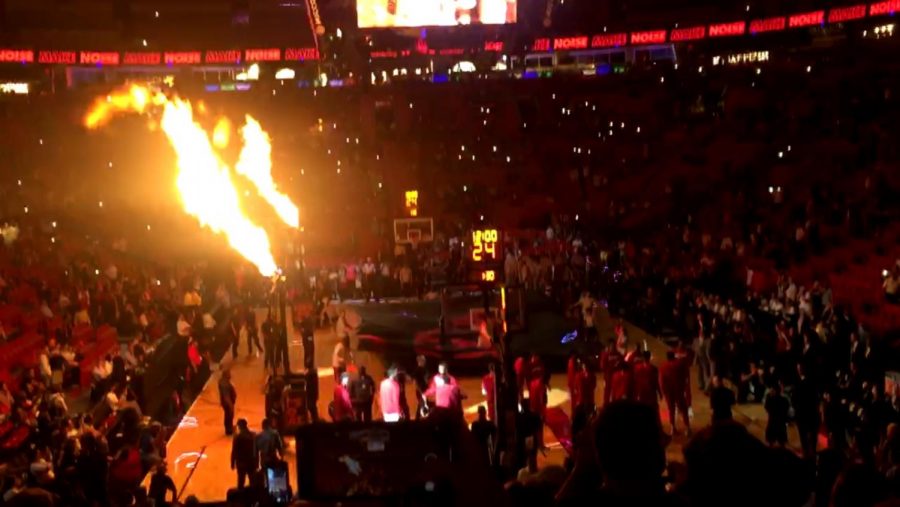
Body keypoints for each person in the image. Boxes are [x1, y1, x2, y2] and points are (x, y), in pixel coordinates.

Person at [660, 350, 690, 435]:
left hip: (668, 392)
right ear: (674, 356)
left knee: (671, 409)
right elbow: (685, 376)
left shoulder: (663, 367)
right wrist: (684, 387)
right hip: (679, 390)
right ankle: (687, 428)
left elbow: (661, 381)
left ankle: (673, 428)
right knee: (684, 409)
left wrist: (663, 392)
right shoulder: (680, 365)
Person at [231, 419, 258, 489]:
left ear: (240, 426)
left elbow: (234, 451)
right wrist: (257, 462)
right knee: (253, 481)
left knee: (241, 482)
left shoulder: (237, 437)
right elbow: (256, 450)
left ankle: (240, 497)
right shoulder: (253, 435)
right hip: (251, 462)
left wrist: (232, 463)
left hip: (241, 463)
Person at [764, 383, 790, 447]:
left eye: (772, 390)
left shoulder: (770, 399)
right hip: (781, 422)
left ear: (774, 391)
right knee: (782, 442)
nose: (770, 391)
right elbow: (787, 409)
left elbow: (766, 408)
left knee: (771, 441)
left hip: (772, 421)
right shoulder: (784, 400)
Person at [219, 369, 237, 435]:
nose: (230, 375)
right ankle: (229, 430)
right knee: (229, 415)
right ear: (226, 375)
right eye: (229, 374)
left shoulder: (225, 381)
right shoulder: (224, 384)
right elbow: (226, 396)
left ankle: (230, 427)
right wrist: (230, 404)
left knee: (229, 415)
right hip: (227, 403)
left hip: (228, 402)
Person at [412, 355, 430, 419]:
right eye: (423, 360)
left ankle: (420, 418)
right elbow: (415, 382)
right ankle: (418, 419)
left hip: (424, 390)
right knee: (422, 405)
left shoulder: (425, 370)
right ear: (419, 361)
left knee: (423, 404)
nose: (425, 362)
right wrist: (420, 391)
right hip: (420, 390)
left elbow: (427, 380)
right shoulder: (417, 371)